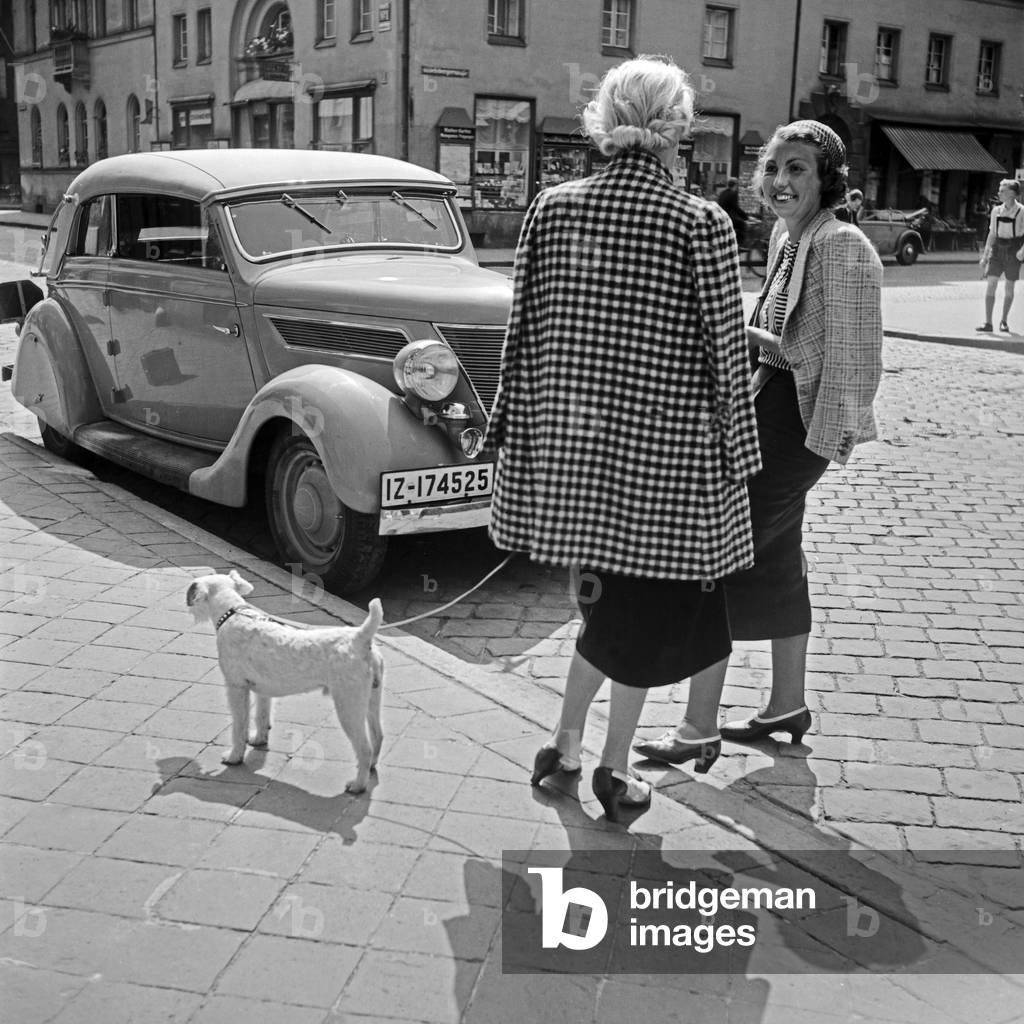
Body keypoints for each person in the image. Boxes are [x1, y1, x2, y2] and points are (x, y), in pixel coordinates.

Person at [483, 56, 762, 821]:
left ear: (603, 121)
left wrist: (506, 429)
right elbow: (725, 356)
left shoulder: (551, 208)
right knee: (636, 618)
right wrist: (741, 457)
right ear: (677, 128)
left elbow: (521, 333)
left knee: (604, 610)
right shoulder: (701, 223)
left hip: (573, 461)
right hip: (663, 467)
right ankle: (611, 769)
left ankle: (566, 750)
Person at [634, 119, 883, 761]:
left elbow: (839, 360)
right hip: (767, 408)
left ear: (826, 178)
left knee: (716, 553)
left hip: (800, 423)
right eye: (773, 167)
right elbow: (772, 327)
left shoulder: (843, 245)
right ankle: (787, 704)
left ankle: (697, 725)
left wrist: (731, 331)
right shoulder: (787, 236)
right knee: (776, 561)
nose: (779, 181)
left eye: (797, 168)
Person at [977, 179, 1024, 333]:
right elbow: (991, 233)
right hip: (997, 250)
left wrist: (1021, 252)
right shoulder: (996, 211)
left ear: (1011, 194)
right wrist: (985, 256)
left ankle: (1003, 320)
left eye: (1002, 191)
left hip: (1014, 250)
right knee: (991, 284)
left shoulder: (1022, 211)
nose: (998, 193)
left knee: (1009, 287)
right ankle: (988, 322)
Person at [717, 176, 749, 246]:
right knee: (742, 224)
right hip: (728, 218)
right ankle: (740, 245)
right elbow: (736, 208)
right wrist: (745, 217)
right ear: (735, 185)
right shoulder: (732, 194)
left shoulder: (722, 193)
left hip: (720, 218)